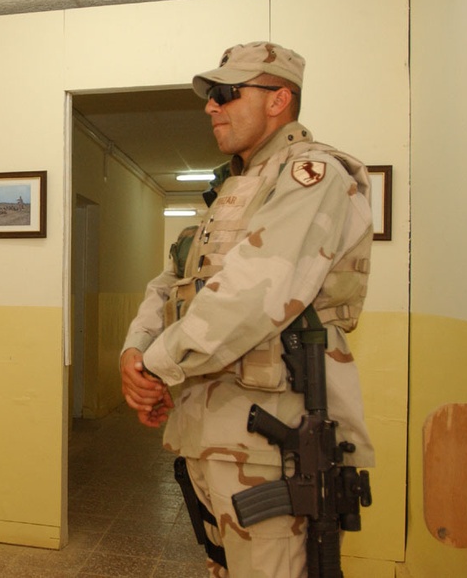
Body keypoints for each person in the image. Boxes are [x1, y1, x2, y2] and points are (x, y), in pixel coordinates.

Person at [119, 42, 375, 577]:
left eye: (226, 94)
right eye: (212, 96)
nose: (211, 106)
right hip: (213, 428)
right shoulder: (233, 188)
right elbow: (173, 280)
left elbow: (254, 293)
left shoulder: (313, 174)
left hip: (274, 439)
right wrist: (134, 348)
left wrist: (157, 368)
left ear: (280, 99)